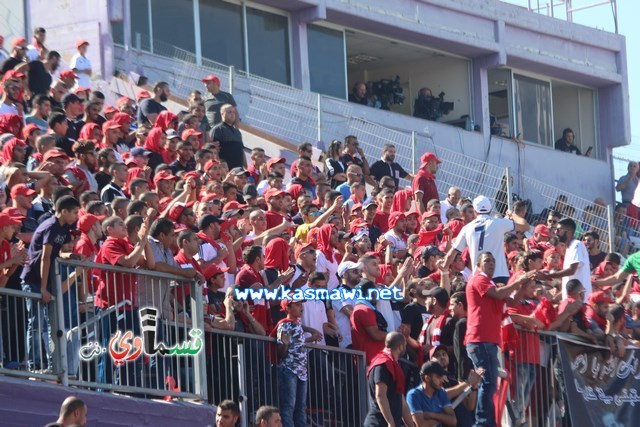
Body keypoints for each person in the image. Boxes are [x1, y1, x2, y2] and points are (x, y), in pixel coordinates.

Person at [465, 252, 536, 427]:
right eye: (487, 261)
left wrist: (522, 289)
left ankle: (486, 422)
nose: (491, 264)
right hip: (479, 339)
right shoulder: (478, 279)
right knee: (489, 382)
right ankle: (482, 423)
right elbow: (498, 294)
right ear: (479, 264)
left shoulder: (490, 284)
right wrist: (519, 280)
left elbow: (510, 303)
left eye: (493, 261)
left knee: (490, 383)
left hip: (489, 340)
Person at [443, 195, 530, 284]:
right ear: (490, 210)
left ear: (475, 211)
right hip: (499, 275)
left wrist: (444, 271)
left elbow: (452, 253)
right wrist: (513, 215)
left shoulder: (467, 228)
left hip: (479, 277)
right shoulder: (499, 223)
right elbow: (526, 226)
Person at [276, 299, 322, 427]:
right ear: (288, 308)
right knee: (289, 406)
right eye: (297, 305)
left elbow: (296, 345)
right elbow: (280, 352)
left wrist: (310, 338)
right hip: (289, 369)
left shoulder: (296, 325)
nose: (301, 307)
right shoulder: (285, 325)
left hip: (301, 371)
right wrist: (284, 345)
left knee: (301, 407)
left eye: (301, 305)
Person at [364, 332, 413, 427]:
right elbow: (380, 396)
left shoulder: (394, 365)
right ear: (400, 346)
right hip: (378, 423)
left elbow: (402, 402)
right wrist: (390, 422)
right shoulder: (383, 364)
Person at [539, 218, 592, 299]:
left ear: (569, 232)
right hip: (571, 301)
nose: (556, 232)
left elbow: (571, 270)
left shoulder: (576, 245)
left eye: (559, 230)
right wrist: (555, 299)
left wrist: (548, 276)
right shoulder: (569, 249)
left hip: (580, 302)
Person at [406, 360, 457, 427]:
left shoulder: (441, 392)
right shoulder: (413, 395)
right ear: (427, 378)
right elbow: (421, 425)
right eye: (438, 377)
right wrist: (443, 416)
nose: (442, 380)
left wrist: (432, 415)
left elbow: (453, 421)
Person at [211, 104, 245, 169]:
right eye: (229, 112)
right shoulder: (218, 129)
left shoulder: (237, 132)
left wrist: (245, 166)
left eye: (233, 112)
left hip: (238, 170)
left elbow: (242, 151)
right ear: (222, 114)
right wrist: (219, 165)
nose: (232, 114)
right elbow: (214, 149)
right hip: (225, 169)